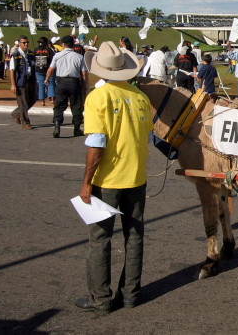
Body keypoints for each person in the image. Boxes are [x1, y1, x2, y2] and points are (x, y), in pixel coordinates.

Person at [75, 41, 152, 314]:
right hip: (136, 178)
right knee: (134, 236)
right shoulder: (142, 98)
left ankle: (101, 299)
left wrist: (86, 182)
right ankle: (130, 294)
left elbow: (96, 145)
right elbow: (148, 137)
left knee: (100, 239)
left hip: (107, 180)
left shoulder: (98, 98)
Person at [45, 35, 88, 138]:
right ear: (73, 45)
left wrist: (47, 79)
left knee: (59, 106)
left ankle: (57, 126)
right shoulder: (79, 57)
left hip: (61, 83)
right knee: (76, 106)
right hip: (74, 83)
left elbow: (50, 69)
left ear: (63, 45)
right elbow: (84, 73)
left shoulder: (57, 56)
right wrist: (84, 85)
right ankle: (77, 128)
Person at [8, 35, 36, 129]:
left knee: (33, 98)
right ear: (19, 44)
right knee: (23, 102)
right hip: (20, 81)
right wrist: (13, 84)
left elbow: (33, 67)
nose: (26, 44)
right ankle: (25, 122)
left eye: (27, 42)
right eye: (24, 43)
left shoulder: (31, 54)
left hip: (30, 80)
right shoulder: (16, 56)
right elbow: (12, 70)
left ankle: (16, 113)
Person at [34, 37, 56, 106]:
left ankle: (42, 101)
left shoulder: (35, 50)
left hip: (38, 70)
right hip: (48, 69)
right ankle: (52, 99)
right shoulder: (49, 50)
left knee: (41, 85)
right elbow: (53, 59)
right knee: (51, 84)